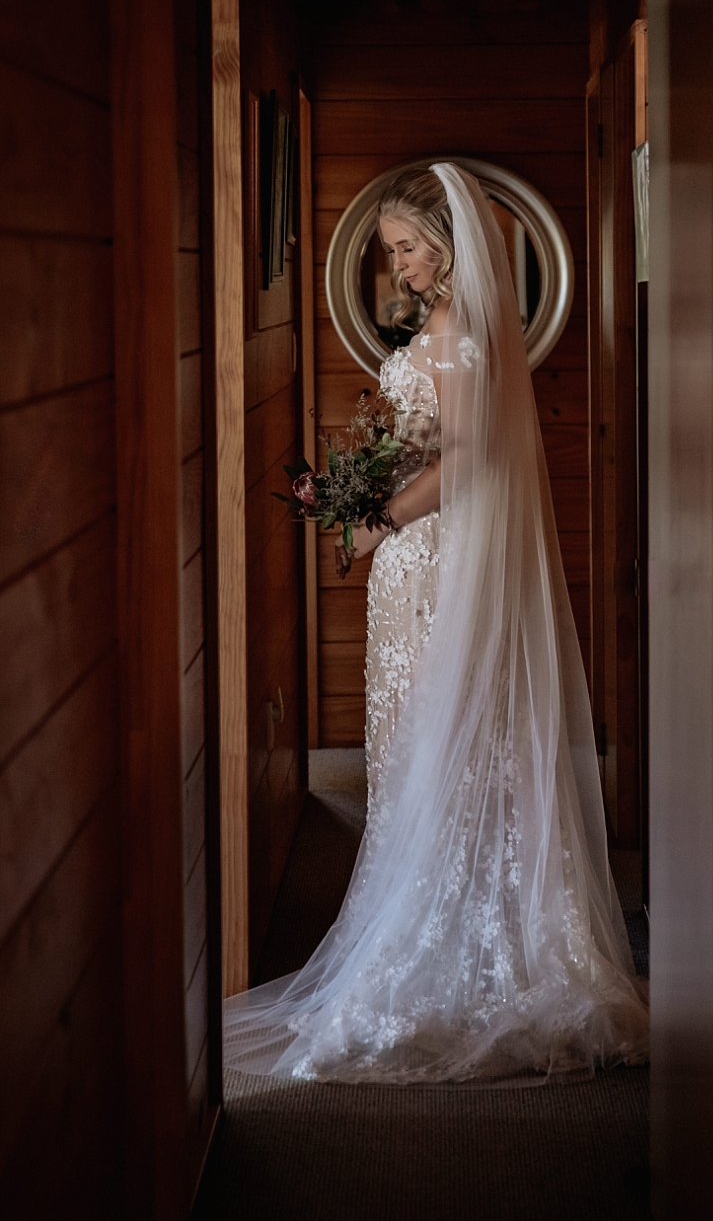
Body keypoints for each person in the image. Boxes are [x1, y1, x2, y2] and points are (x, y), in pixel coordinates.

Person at [223, 162, 649, 1082]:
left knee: (440, 734)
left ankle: (456, 941)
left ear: (451, 248)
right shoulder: (453, 334)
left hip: (432, 558)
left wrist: (375, 519)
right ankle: (441, 908)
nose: (401, 267)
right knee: (426, 738)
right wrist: (364, 483)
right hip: (420, 560)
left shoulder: (458, 341)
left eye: (409, 249)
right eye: (391, 253)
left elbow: (462, 468)